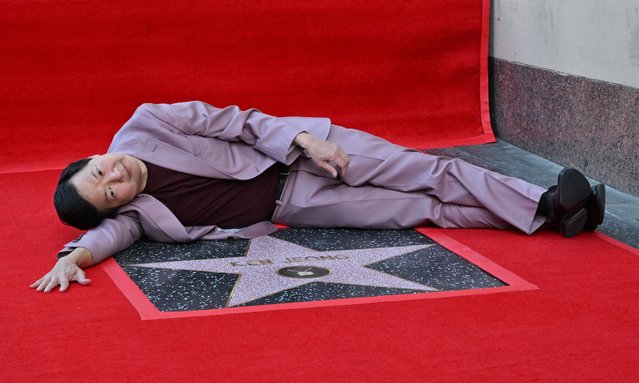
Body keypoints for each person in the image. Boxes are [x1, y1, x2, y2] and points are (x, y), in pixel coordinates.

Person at [30, 101, 606, 293]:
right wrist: (74, 258)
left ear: (94, 155)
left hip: (300, 153)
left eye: (101, 169)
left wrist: (305, 139)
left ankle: (545, 200)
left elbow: (238, 121)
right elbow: (108, 236)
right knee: (418, 209)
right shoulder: (135, 215)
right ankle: (555, 217)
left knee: (425, 172)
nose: (116, 176)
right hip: (293, 204)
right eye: (109, 191)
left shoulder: (146, 123)